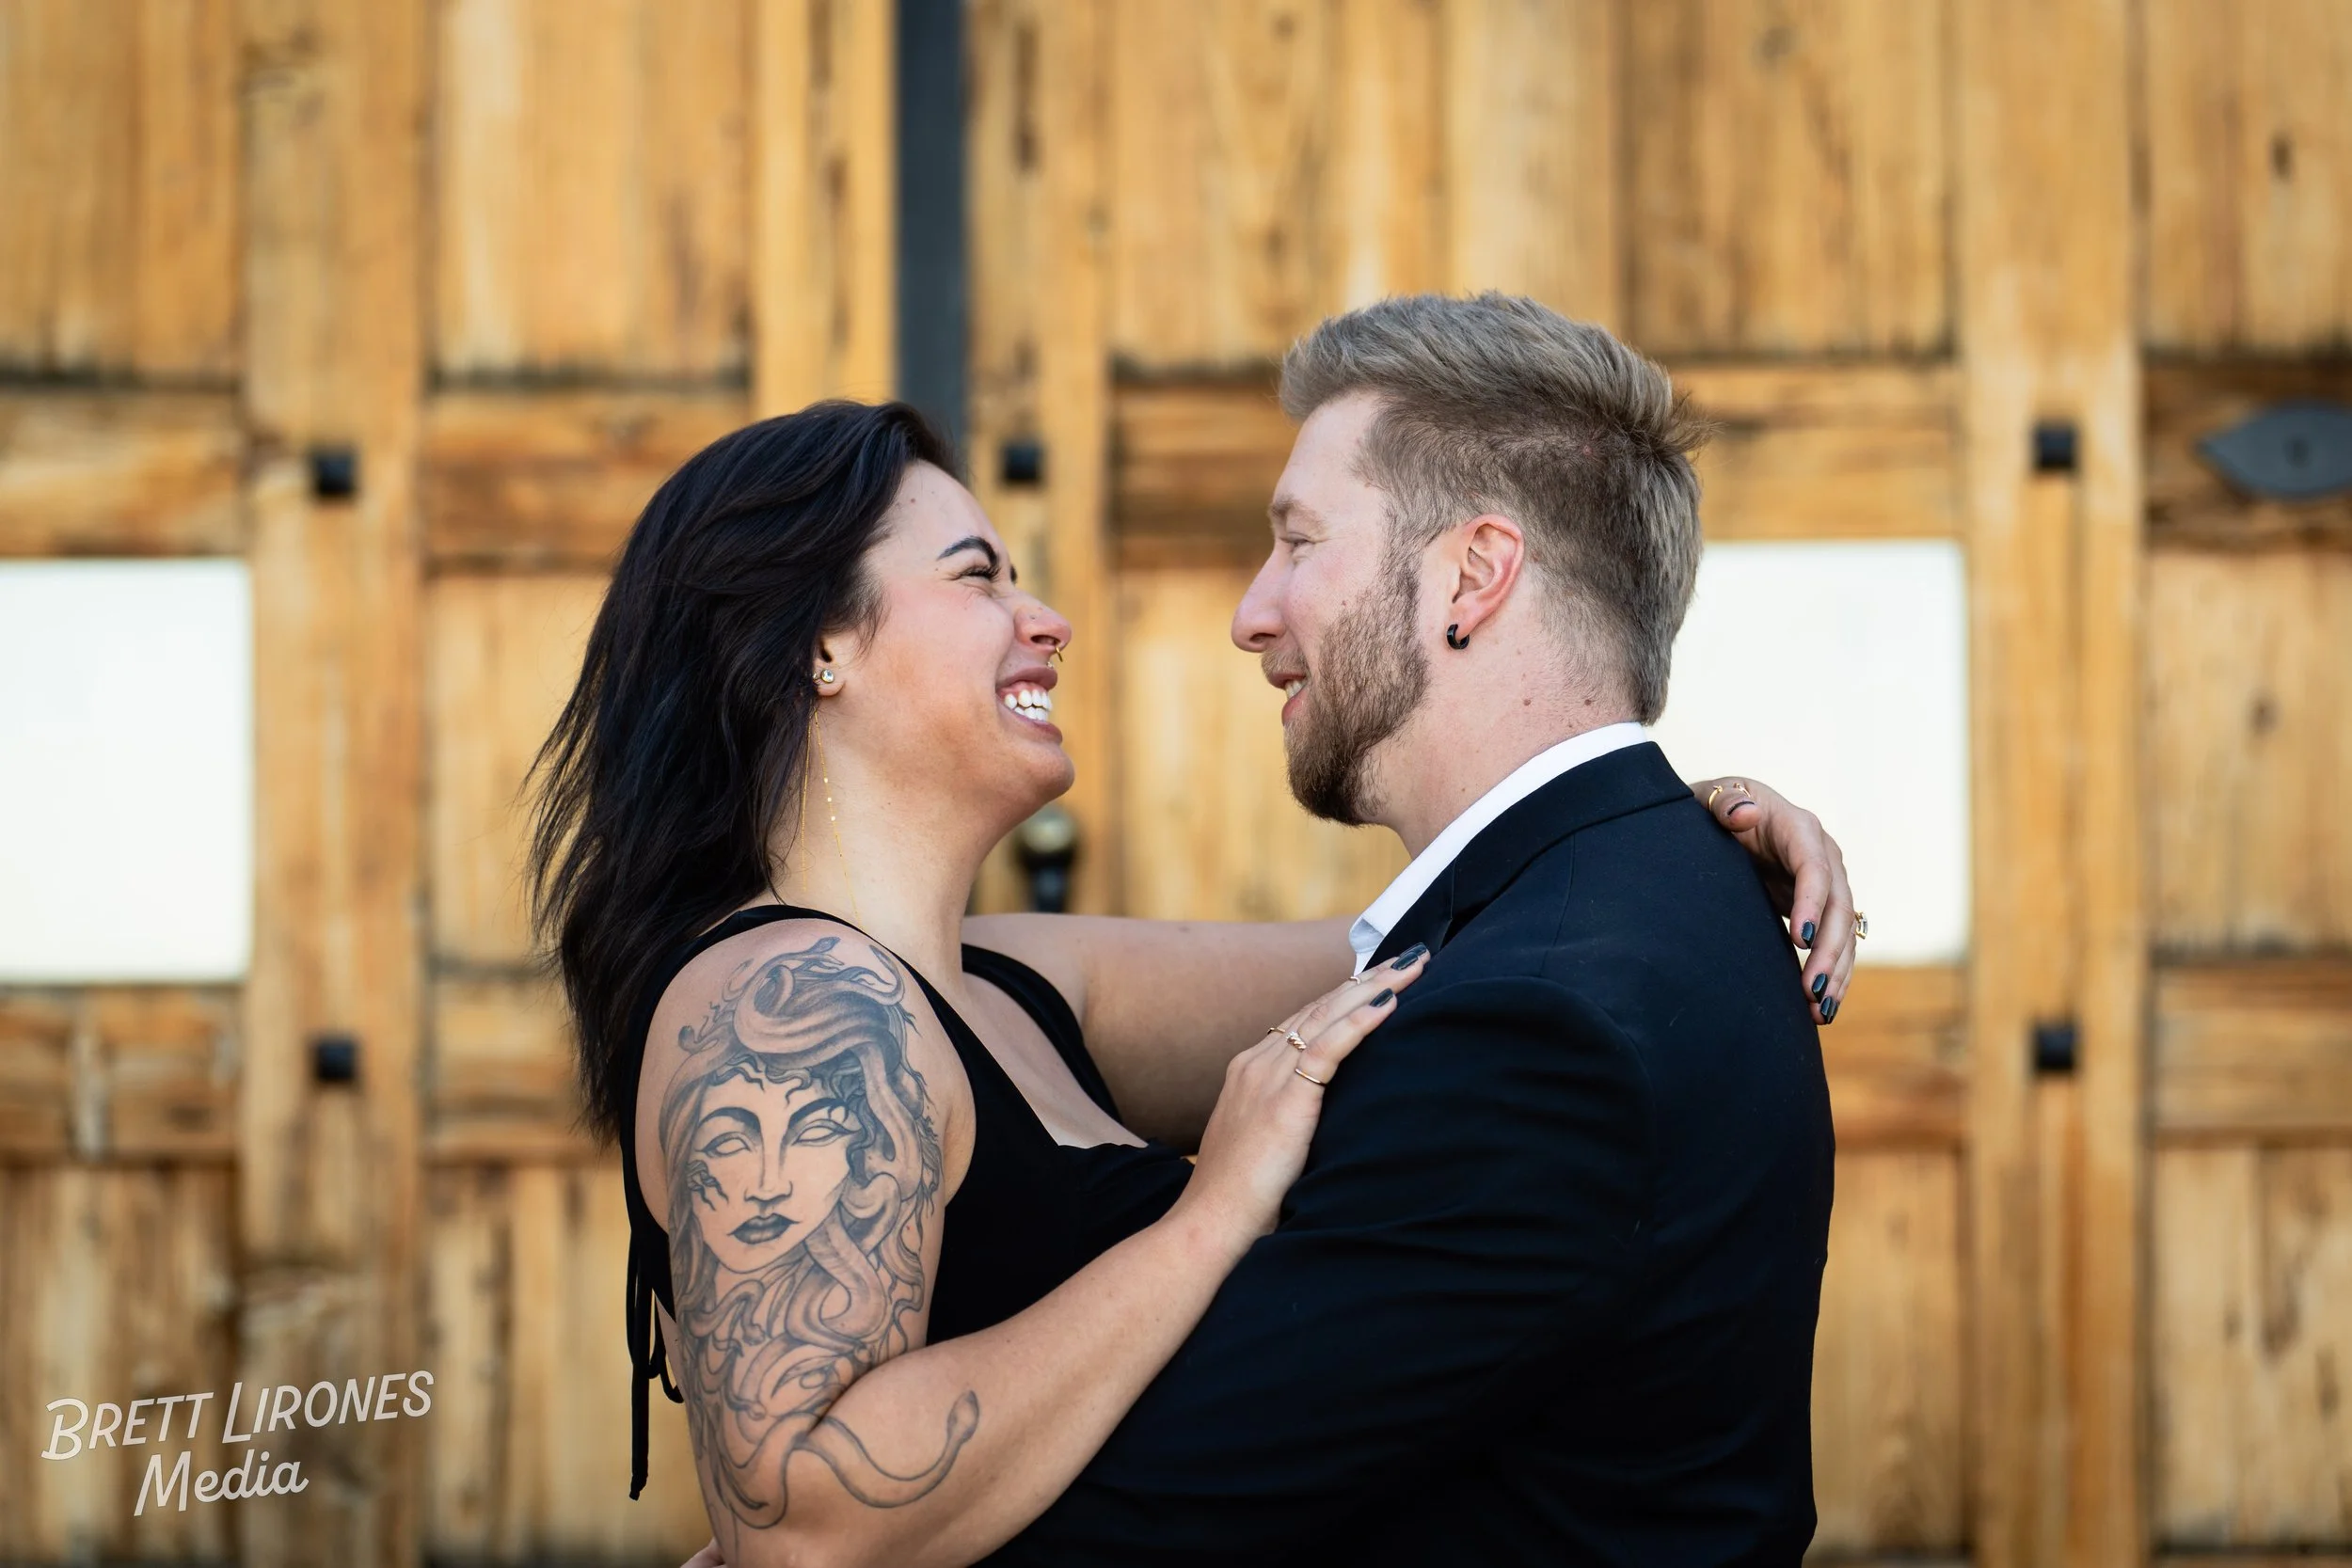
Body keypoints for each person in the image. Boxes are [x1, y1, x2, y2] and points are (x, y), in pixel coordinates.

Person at [533, 305, 1853, 1568]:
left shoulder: (1021, 981)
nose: (1047, 618)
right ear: (819, 646)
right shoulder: (794, 1002)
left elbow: (1460, 952)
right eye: (979, 575)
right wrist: (1209, 1213)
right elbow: (798, 1523)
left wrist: (1656, 827)